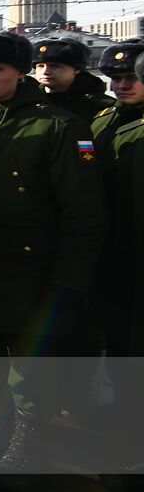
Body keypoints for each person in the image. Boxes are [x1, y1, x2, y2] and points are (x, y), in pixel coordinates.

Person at [0, 33, 105, 479]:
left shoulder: (56, 127)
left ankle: (29, 445)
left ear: (19, 71)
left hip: (31, 269)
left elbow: (82, 213)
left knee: (29, 363)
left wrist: (71, 283)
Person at [92, 41, 144, 359]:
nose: (122, 86)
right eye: (115, 78)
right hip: (112, 249)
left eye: (131, 77)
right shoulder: (102, 121)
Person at [32, 38, 113, 122]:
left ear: (76, 70)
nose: (45, 72)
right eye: (40, 66)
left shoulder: (98, 105)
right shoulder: (30, 100)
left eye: (54, 66)